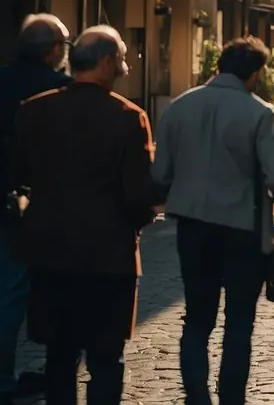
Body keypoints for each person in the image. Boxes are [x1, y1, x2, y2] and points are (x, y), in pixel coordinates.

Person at [152, 37, 274, 405]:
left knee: (197, 319)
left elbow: (160, 173)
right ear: (254, 73)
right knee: (239, 323)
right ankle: (232, 399)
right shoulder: (259, 113)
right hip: (243, 229)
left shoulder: (180, 107)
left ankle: (197, 398)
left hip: (192, 227)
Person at [14, 27, 158, 405]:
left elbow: (16, 173)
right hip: (108, 257)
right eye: (123, 59)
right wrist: (139, 219)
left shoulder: (34, 110)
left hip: (50, 251)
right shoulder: (128, 117)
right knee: (106, 358)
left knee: (59, 357)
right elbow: (140, 193)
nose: (125, 68)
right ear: (107, 62)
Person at [0, 14, 70, 403]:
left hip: (6, 199)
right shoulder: (60, 90)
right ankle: (52, 370)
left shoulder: (2, 79)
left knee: (8, 289)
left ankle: (5, 377)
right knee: (49, 290)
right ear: (52, 50)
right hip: (47, 205)